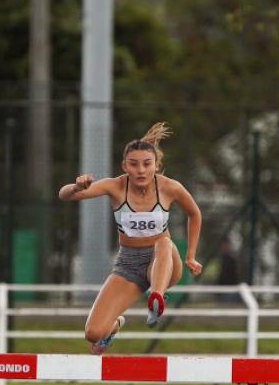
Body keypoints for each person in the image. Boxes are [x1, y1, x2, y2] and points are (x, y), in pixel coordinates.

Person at [59, 122, 203, 355]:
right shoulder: (115, 186)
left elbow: (194, 213)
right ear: (124, 166)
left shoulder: (170, 188)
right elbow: (64, 195)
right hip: (128, 264)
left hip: (164, 262)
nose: (141, 171)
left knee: (164, 242)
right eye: (134, 165)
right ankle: (115, 326)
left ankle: (156, 297)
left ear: (156, 166)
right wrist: (76, 187)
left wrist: (191, 256)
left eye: (147, 164)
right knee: (92, 334)